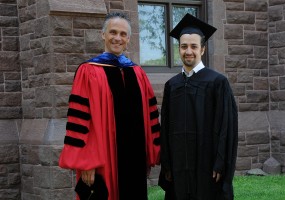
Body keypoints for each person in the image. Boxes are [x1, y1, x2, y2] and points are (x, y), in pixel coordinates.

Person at [59, 12, 160, 200]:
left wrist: (149, 153)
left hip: (135, 159)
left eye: (123, 34)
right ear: (103, 34)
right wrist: (86, 162)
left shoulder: (137, 73)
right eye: (113, 32)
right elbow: (79, 120)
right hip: (103, 159)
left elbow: (150, 116)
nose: (117, 38)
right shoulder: (88, 71)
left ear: (129, 38)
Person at [158, 13, 238, 200]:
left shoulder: (217, 82)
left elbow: (227, 128)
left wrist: (220, 163)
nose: (188, 51)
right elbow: (166, 128)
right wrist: (167, 164)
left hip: (207, 167)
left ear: (202, 50)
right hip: (178, 166)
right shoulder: (172, 85)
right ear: (179, 49)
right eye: (184, 46)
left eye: (194, 46)